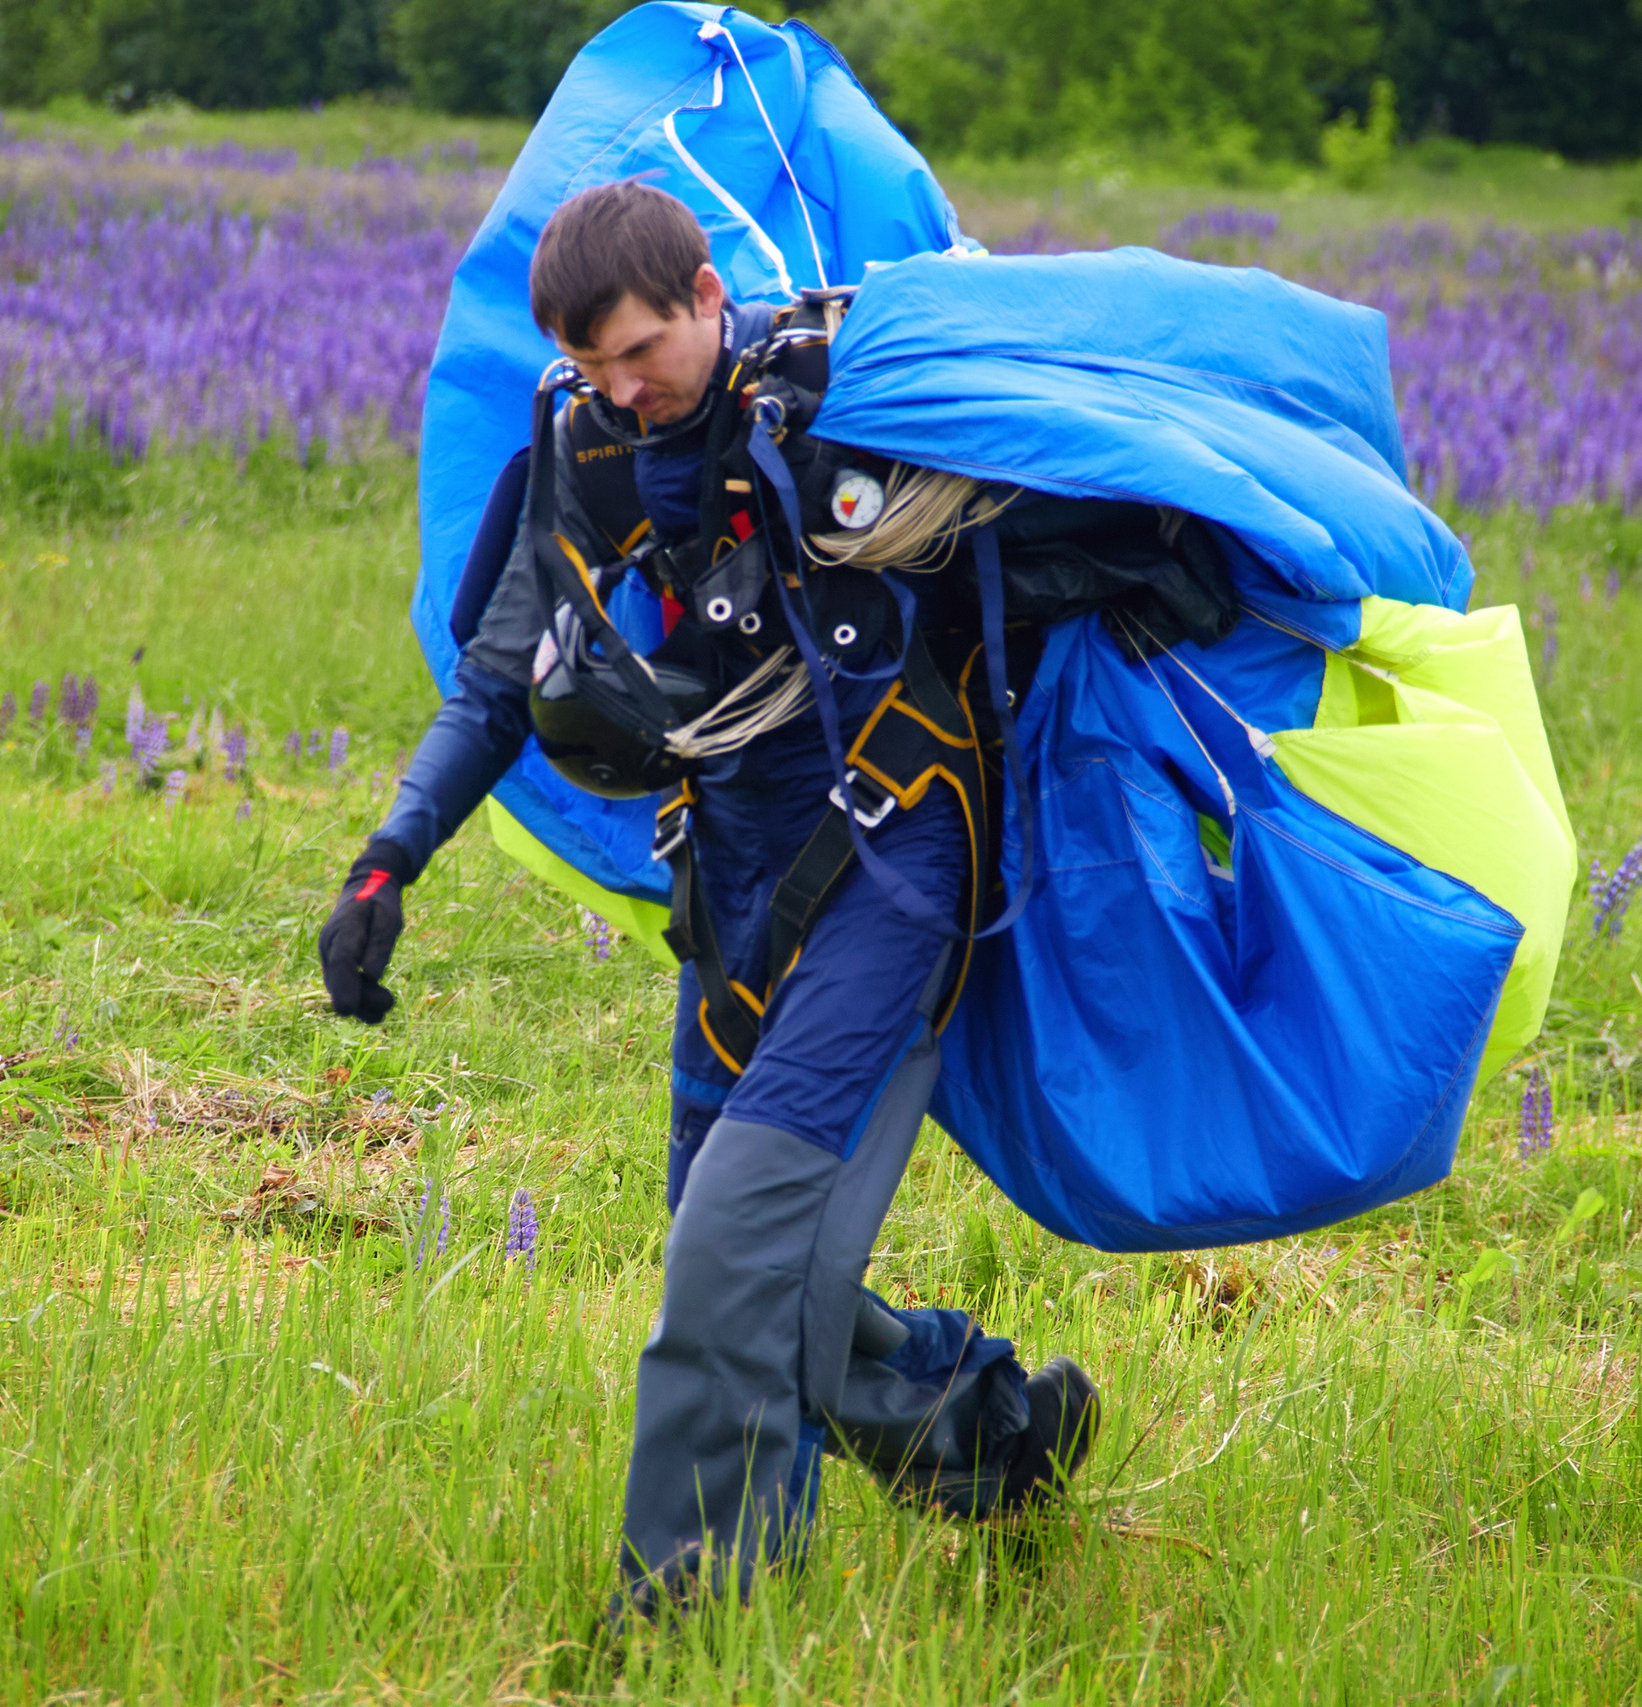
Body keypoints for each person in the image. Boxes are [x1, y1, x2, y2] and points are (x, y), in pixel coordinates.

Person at [316, 181, 1103, 1612]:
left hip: (893, 864)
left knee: (737, 1242)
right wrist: (390, 857)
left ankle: (692, 1620)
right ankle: (987, 1441)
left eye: (640, 351)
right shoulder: (585, 444)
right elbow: (499, 677)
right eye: (590, 363)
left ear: (701, 293)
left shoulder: (840, 401)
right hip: (730, 884)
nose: (621, 389)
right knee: (729, 1265)